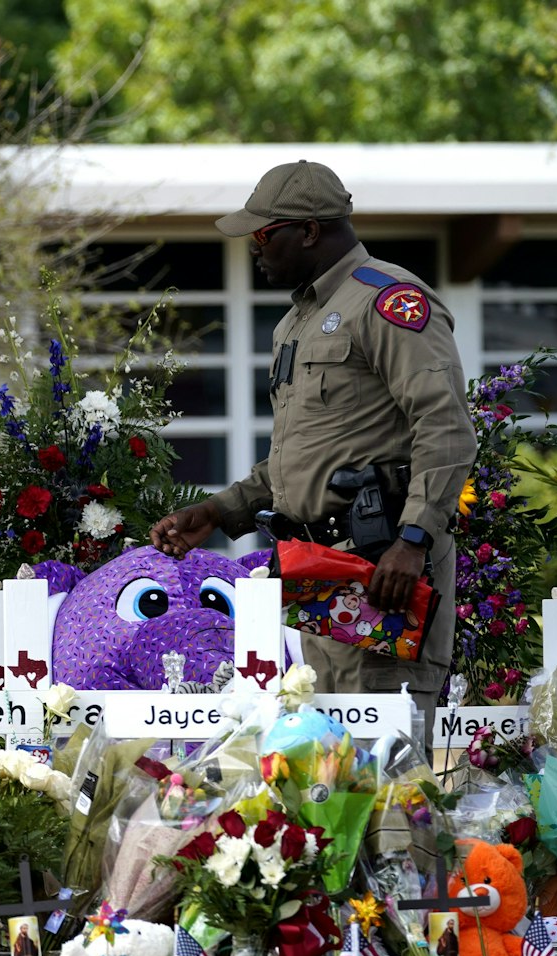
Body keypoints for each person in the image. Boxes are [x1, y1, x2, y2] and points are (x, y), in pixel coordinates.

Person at [150, 160, 476, 712]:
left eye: (263, 234)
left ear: (309, 231)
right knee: (327, 770)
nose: (254, 248)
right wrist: (218, 510)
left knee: (386, 774)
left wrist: (413, 540)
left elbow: (445, 426)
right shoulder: (298, 321)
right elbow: (301, 455)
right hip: (321, 568)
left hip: (382, 564)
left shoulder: (388, 301)